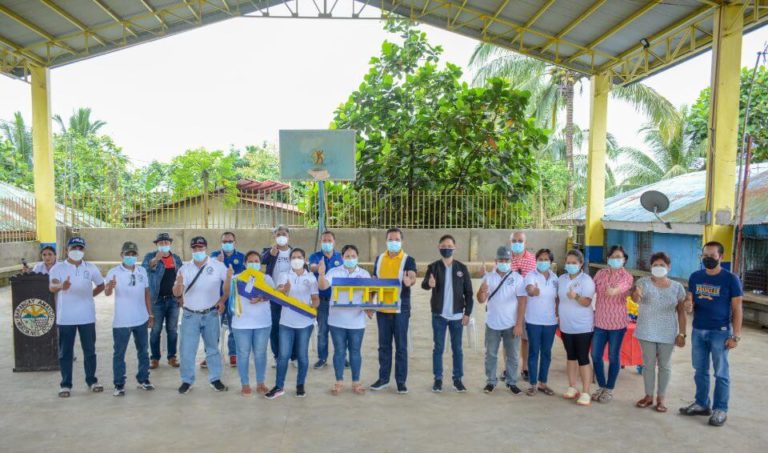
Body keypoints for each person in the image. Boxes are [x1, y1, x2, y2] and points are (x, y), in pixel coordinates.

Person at [679, 241, 743, 427]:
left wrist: (735, 336)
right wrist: (688, 304)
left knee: (721, 373)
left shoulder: (731, 279)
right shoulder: (695, 276)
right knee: (700, 371)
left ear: (721, 257)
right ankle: (701, 404)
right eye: (705, 255)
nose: (708, 259)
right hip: (698, 330)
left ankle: (720, 409)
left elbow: (737, 308)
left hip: (720, 332)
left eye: (712, 256)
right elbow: (690, 300)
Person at [173, 236, 232, 394]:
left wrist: (222, 300)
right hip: (190, 315)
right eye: (195, 249)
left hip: (211, 314)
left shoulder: (218, 266)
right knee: (187, 350)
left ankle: (215, 379)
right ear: (191, 250)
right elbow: (177, 293)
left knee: (212, 349)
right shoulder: (184, 269)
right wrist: (179, 283)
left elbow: (227, 288)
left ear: (205, 248)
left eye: (200, 248)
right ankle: (187, 380)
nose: (198, 251)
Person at [49, 236, 106, 397]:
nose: (77, 251)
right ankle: (66, 384)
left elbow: (101, 284)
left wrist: (89, 296)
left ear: (84, 250)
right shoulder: (58, 268)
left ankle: (92, 380)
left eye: (80, 248)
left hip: (87, 317)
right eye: (73, 248)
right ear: (67, 250)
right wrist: (62, 286)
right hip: (66, 318)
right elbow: (52, 286)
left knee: (89, 351)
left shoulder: (91, 268)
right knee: (65, 352)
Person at [632, 252, 687, 413]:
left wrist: (682, 333)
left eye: (662, 265)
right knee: (648, 365)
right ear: (651, 267)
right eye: (655, 265)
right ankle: (648, 396)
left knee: (665, 366)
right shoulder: (643, 283)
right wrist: (636, 294)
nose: (658, 268)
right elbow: (635, 300)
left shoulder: (677, 288)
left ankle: (661, 398)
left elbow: (681, 312)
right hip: (646, 330)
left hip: (668, 332)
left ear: (669, 267)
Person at [421, 234, 473, 393]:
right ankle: (438, 379)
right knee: (438, 348)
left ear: (455, 248)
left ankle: (457, 379)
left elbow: (469, 293)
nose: (447, 249)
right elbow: (424, 285)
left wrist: (467, 313)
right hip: (439, 315)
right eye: (444, 246)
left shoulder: (461, 268)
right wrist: (429, 284)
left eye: (450, 246)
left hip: (457, 317)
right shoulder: (433, 267)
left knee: (457, 349)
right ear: (439, 248)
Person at [266, 248, 320, 399]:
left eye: (299, 257)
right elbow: (277, 295)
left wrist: (314, 303)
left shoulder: (311, 278)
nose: (296, 260)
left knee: (302, 356)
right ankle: (279, 386)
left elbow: (315, 300)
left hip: (305, 323)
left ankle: (300, 385)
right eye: (294, 257)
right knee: (283, 356)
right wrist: (285, 290)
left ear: (304, 259)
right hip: (286, 322)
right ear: (290, 260)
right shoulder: (284, 275)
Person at [318, 244, 371, 395]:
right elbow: (322, 287)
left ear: (357, 257)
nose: (350, 258)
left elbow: (370, 295)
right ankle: (339, 381)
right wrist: (321, 274)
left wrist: (370, 308)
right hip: (336, 320)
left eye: (353, 256)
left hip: (357, 321)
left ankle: (356, 382)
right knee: (339, 351)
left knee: (355, 351)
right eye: (347, 256)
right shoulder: (334, 272)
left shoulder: (364, 274)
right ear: (342, 258)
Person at [369, 228, 417, 394]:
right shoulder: (379, 259)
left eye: (396, 239)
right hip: (382, 307)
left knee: (401, 346)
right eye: (391, 239)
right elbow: (375, 281)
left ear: (401, 241)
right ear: (386, 241)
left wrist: (409, 281)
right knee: (383, 346)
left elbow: (412, 276)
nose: (393, 242)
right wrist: (370, 303)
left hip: (400, 308)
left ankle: (401, 381)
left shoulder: (408, 259)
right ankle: (383, 379)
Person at [105, 241, 154, 396]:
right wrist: (109, 287)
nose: (130, 257)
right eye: (128, 254)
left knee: (143, 351)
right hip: (122, 321)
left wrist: (150, 314)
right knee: (119, 353)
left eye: (133, 254)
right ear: (122, 255)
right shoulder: (114, 272)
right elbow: (106, 292)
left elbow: (147, 293)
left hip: (141, 318)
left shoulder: (142, 271)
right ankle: (119, 384)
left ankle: (143, 379)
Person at [477, 246, 526, 395]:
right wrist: (482, 291)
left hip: (511, 325)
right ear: (496, 261)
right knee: (491, 354)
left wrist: (519, 324)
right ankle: (491, 381)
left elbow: (522, 302)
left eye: (506, 260)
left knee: (513, 355)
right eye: (501, 260)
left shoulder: (517, 278)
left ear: (510, 261)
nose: (504, 262)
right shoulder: (488, 277)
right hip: (492, 324)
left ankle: (511, 382)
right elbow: (480, 299)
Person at [591, 245, 634, 403]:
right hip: (600, 322)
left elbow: (621, 288)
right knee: (595, 355)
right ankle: (601, 385)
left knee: (613, 356)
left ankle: (609, 389)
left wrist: (614, 291)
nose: (616, 260)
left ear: (624, 260)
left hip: (617, 324)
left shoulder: (627, 276)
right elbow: (591, 289)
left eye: (619, 257)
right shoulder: (600, 274)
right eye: (613, 257)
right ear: (608, 259)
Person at [231, 251, 273, 396]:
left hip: (262, 323)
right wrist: (227, 277)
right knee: (243, 354)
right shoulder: (236, 278)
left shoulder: (266, 278)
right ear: (245, 263)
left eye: (256, 261)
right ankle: (245, 383)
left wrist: (261, 298)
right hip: (241, 324)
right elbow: (228, 296)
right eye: (250, 261)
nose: (253, 263)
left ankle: (260, 383)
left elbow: (272, 295)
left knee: (260, 353)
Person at [558, 249, 596, 407]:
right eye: (568, 262)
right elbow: (557, 299)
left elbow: (587, 302)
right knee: (570, 356)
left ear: (581, 264)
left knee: (583, 357)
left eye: (574, 263)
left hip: (583, 327)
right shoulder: (561, 279)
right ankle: (572, 386)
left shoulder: (587, 280)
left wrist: (576, 297)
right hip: (566, 326)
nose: (570, 265)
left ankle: (586, 391)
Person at [143, 232, 183, 369]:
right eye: (161, 243)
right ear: (156, 245)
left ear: (170, 244)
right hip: (157, 300)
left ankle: (172, 357)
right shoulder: (150, 256)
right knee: (155, 330)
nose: (164, 245)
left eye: (166, 242)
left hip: (173, 300)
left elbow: (181, 278)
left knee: (172, 329)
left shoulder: (176, 259)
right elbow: (145, 270)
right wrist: (155, 260)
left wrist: (180, 296)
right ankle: (154, 358)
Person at [208, 231, 246, 368]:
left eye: (230, 241)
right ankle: (210, 355)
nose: (227, 244)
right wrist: (216, 262)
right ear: (221, 243)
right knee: (213, 328)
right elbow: (207, 274)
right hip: (216, 299)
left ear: (235, 242)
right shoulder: (213, 256)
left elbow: (247, 276)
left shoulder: (242, 257)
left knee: (233, 327)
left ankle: (233, 355)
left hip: (234, 298)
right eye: (225, 241)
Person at [523, 249, 558, 396]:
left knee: (546, 353)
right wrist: (533, 291)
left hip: (550, 322)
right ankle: (533, 384)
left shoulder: (555, 278)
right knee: (533, 352)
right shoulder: (531, 275)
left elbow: (557, 298)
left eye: (546, 259)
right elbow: (529, 289)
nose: (543, 262)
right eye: (540, 259)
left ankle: (543, 383)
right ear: (536, 260)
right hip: (533, 321)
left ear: (550, 262)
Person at [309, 230, 343, 369]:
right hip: (322, 301)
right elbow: (312, 268)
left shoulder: (341, 257)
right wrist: (319, 267)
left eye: (329, 240)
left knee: (340, 331)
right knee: (323, 331)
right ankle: (322, 358)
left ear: (334, 242)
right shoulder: (316, 256)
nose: (327, 243)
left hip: (338, 300)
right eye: (324, 240)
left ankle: (342, 357)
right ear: (320, 242)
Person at [261, 225, 293, 365]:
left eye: (284, 234)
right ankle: (277, 356)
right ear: (274, 236)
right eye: (278, 234)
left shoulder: (294, 253)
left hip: (291, 296)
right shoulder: (269, 251)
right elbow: (260, 262)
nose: (281, 236)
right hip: (273, 296)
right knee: (275, 327)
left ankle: (294, 356)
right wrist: (271, 254)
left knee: (291, 326)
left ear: (288, 236)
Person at [509, 231, 536, 381]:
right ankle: (508, 368)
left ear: (525, 243)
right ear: (510, 242)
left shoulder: (532, 260)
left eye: (520, 241)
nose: (517, 243)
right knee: (509, 338)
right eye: (514, 240)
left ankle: (525, 367)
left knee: (525, 338)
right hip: (508, 305)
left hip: (527, 306)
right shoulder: (505, 259)